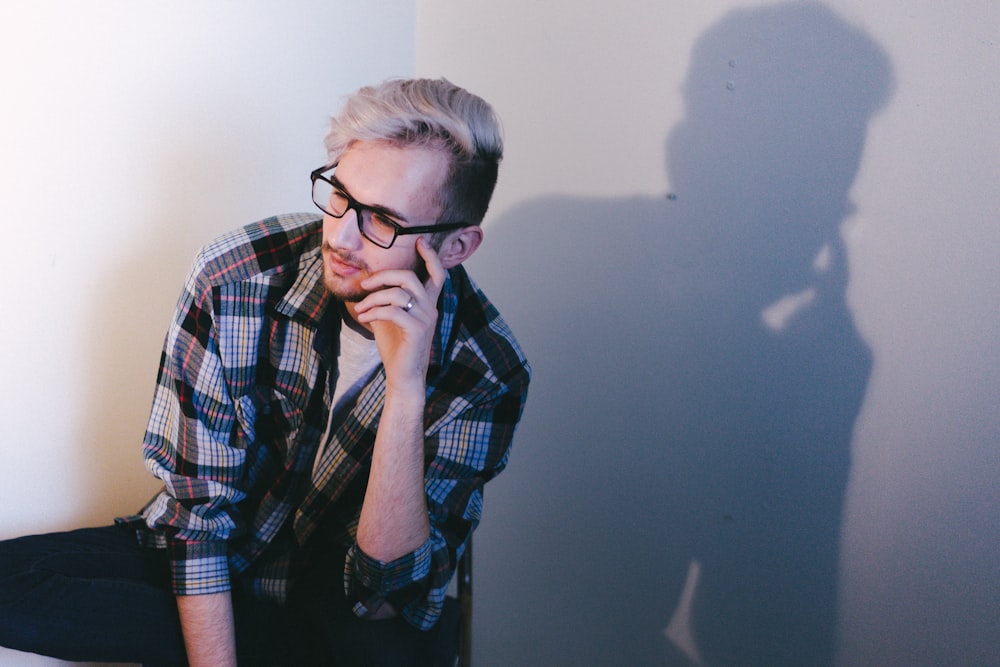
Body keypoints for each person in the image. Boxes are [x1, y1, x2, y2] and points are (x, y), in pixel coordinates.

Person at [0, 78, 530, 666]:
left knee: (377, 640)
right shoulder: (235, 279)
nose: (343, 235)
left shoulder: (487, 370)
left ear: (454, 247)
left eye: (381, 220)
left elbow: (386, 592)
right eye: (339, 195)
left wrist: (406, 390)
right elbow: (198, 522)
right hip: (222, 555)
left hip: (344, 602)